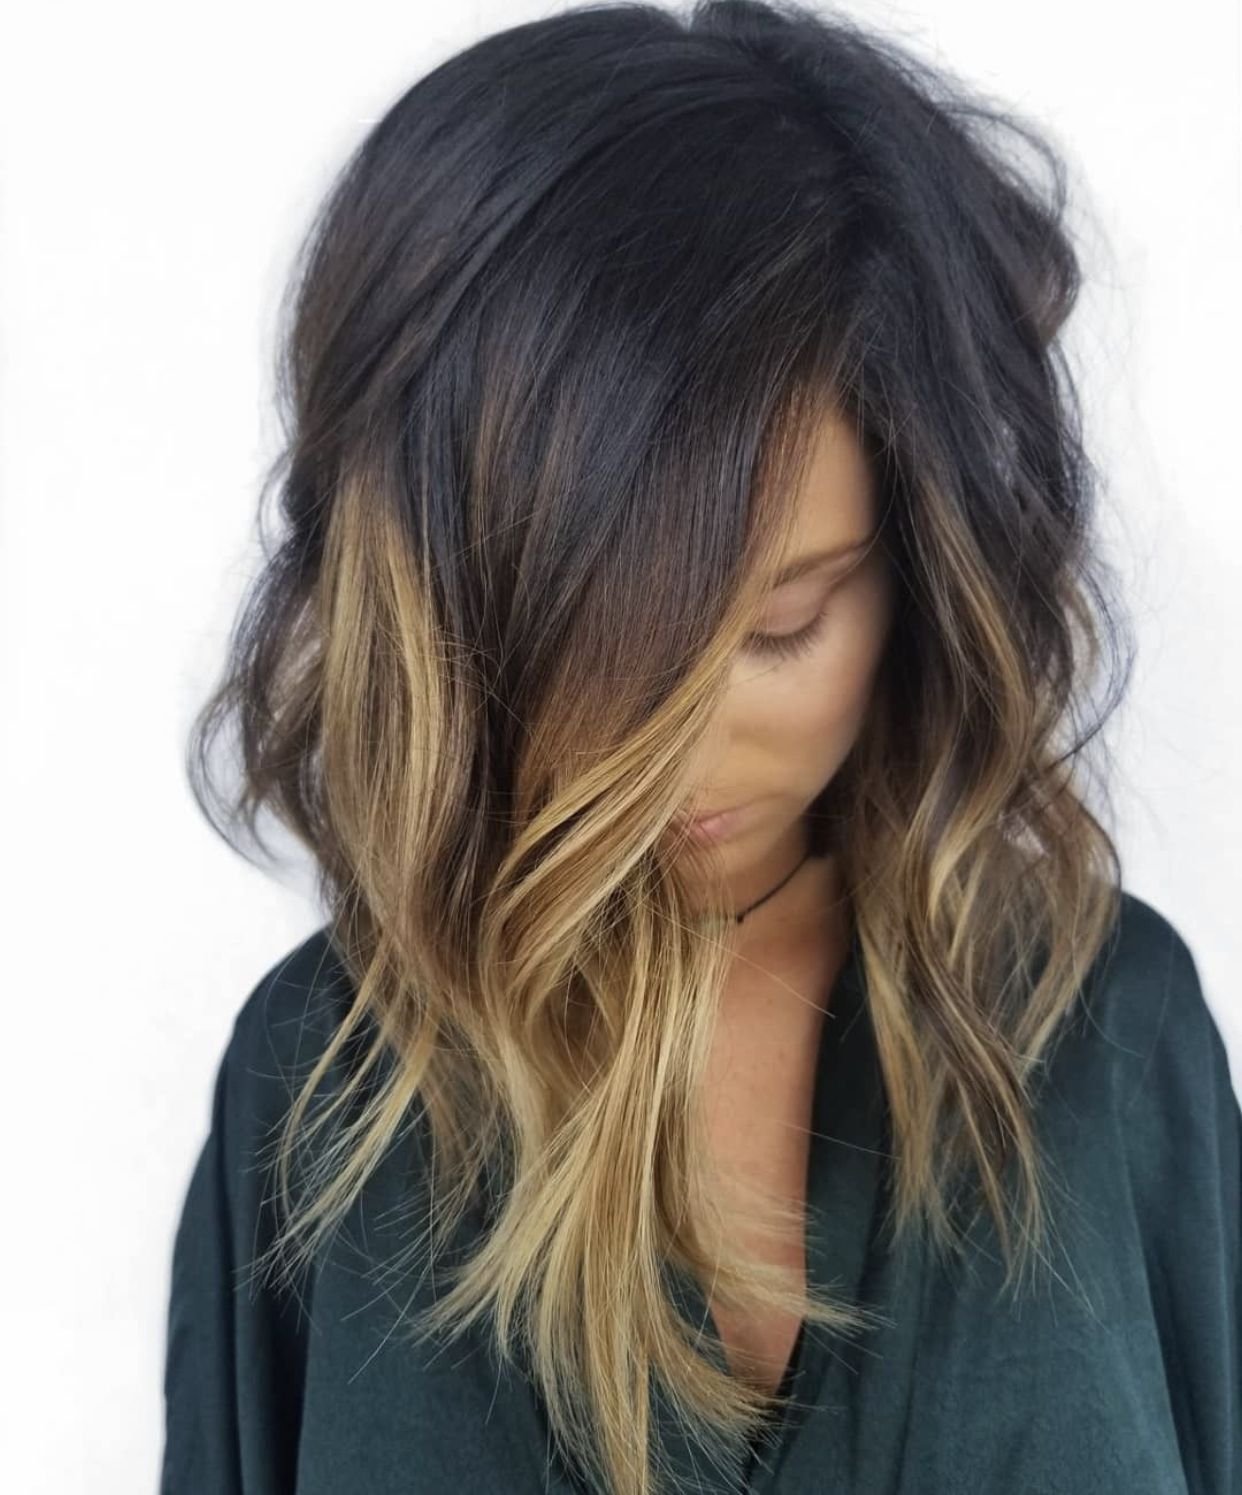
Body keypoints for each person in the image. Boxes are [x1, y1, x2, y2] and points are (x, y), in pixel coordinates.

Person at [160, 3, 1240, 1492]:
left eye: (780, 627)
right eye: (575, 644)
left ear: (920, 569)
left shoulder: (1111, 1034)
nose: (665, 760)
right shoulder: (320, 1091)